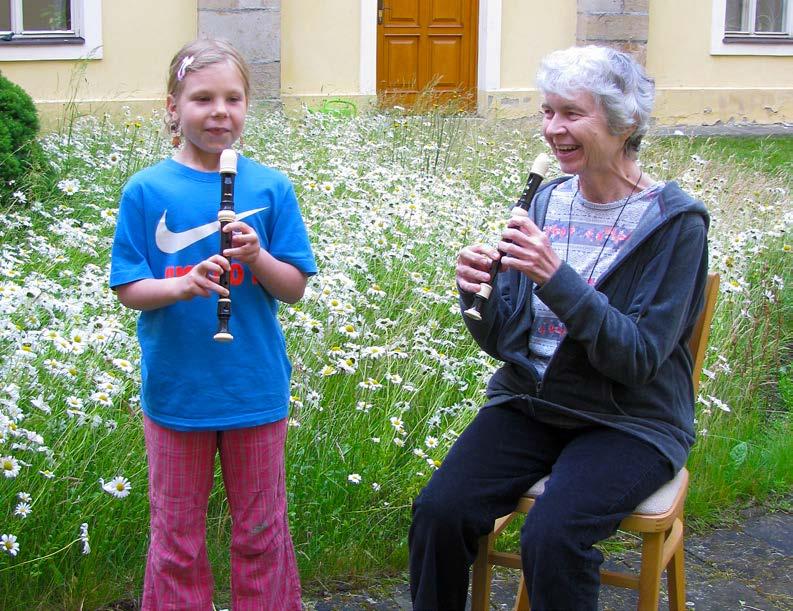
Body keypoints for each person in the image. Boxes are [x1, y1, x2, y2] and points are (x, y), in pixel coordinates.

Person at [409, 45, 709, 610]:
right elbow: (505, 344)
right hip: (532, 402)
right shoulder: (547, 201)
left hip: (629, 420)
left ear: (626, 123)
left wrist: (557, 278)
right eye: (547, 112)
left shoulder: (676, 224)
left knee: (553, 535)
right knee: (439, 512)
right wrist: (478, 295)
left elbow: (639, 359)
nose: (553, 129)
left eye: (572, 113)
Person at [109, 38, 316, 610]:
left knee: (260, 533)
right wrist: (182, 285)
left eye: (233, 98)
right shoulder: (147, 189)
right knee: (176, 540)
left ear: (248, 105)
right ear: (172, 108)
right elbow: (130, 288)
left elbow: (293, 288)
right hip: (179, 391)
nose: (220, 111)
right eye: (202, 98)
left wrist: (257, 258)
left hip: (253, 387)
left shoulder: (270, 188)